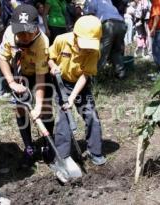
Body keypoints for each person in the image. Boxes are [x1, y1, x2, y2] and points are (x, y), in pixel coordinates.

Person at [0, 4, 54, 167]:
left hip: (38, 74)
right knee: (20, 108)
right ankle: (29, 146)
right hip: (19, 74)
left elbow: (41, 76)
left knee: (45, 108)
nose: (23, 36)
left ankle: (48, 143)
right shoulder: (9, 34)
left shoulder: (42, 42)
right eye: (19, 32)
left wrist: (38, 105)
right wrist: (11, 82)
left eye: (27, 32)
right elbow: (2, 58)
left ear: (36, 27)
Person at [48, 15, 107, 168]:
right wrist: (53, 66)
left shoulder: (94, 52)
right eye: (84, 44)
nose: (86, 48)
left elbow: (85, 76)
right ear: (75, 35)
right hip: (62, 83)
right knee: (64, 118)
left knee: (91, 115)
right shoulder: (61, 40)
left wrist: (72, 98)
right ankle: (62, 157)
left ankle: (95, 152)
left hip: (81, 84)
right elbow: (50, 56)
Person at [84, 0, 128, 79]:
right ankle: (121, 73)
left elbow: (89, 15)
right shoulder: (108, 1)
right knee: (116, 51)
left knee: (102, 52)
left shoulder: (91, 1)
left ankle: (94, 76)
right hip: (121, 24)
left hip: (109, 24)